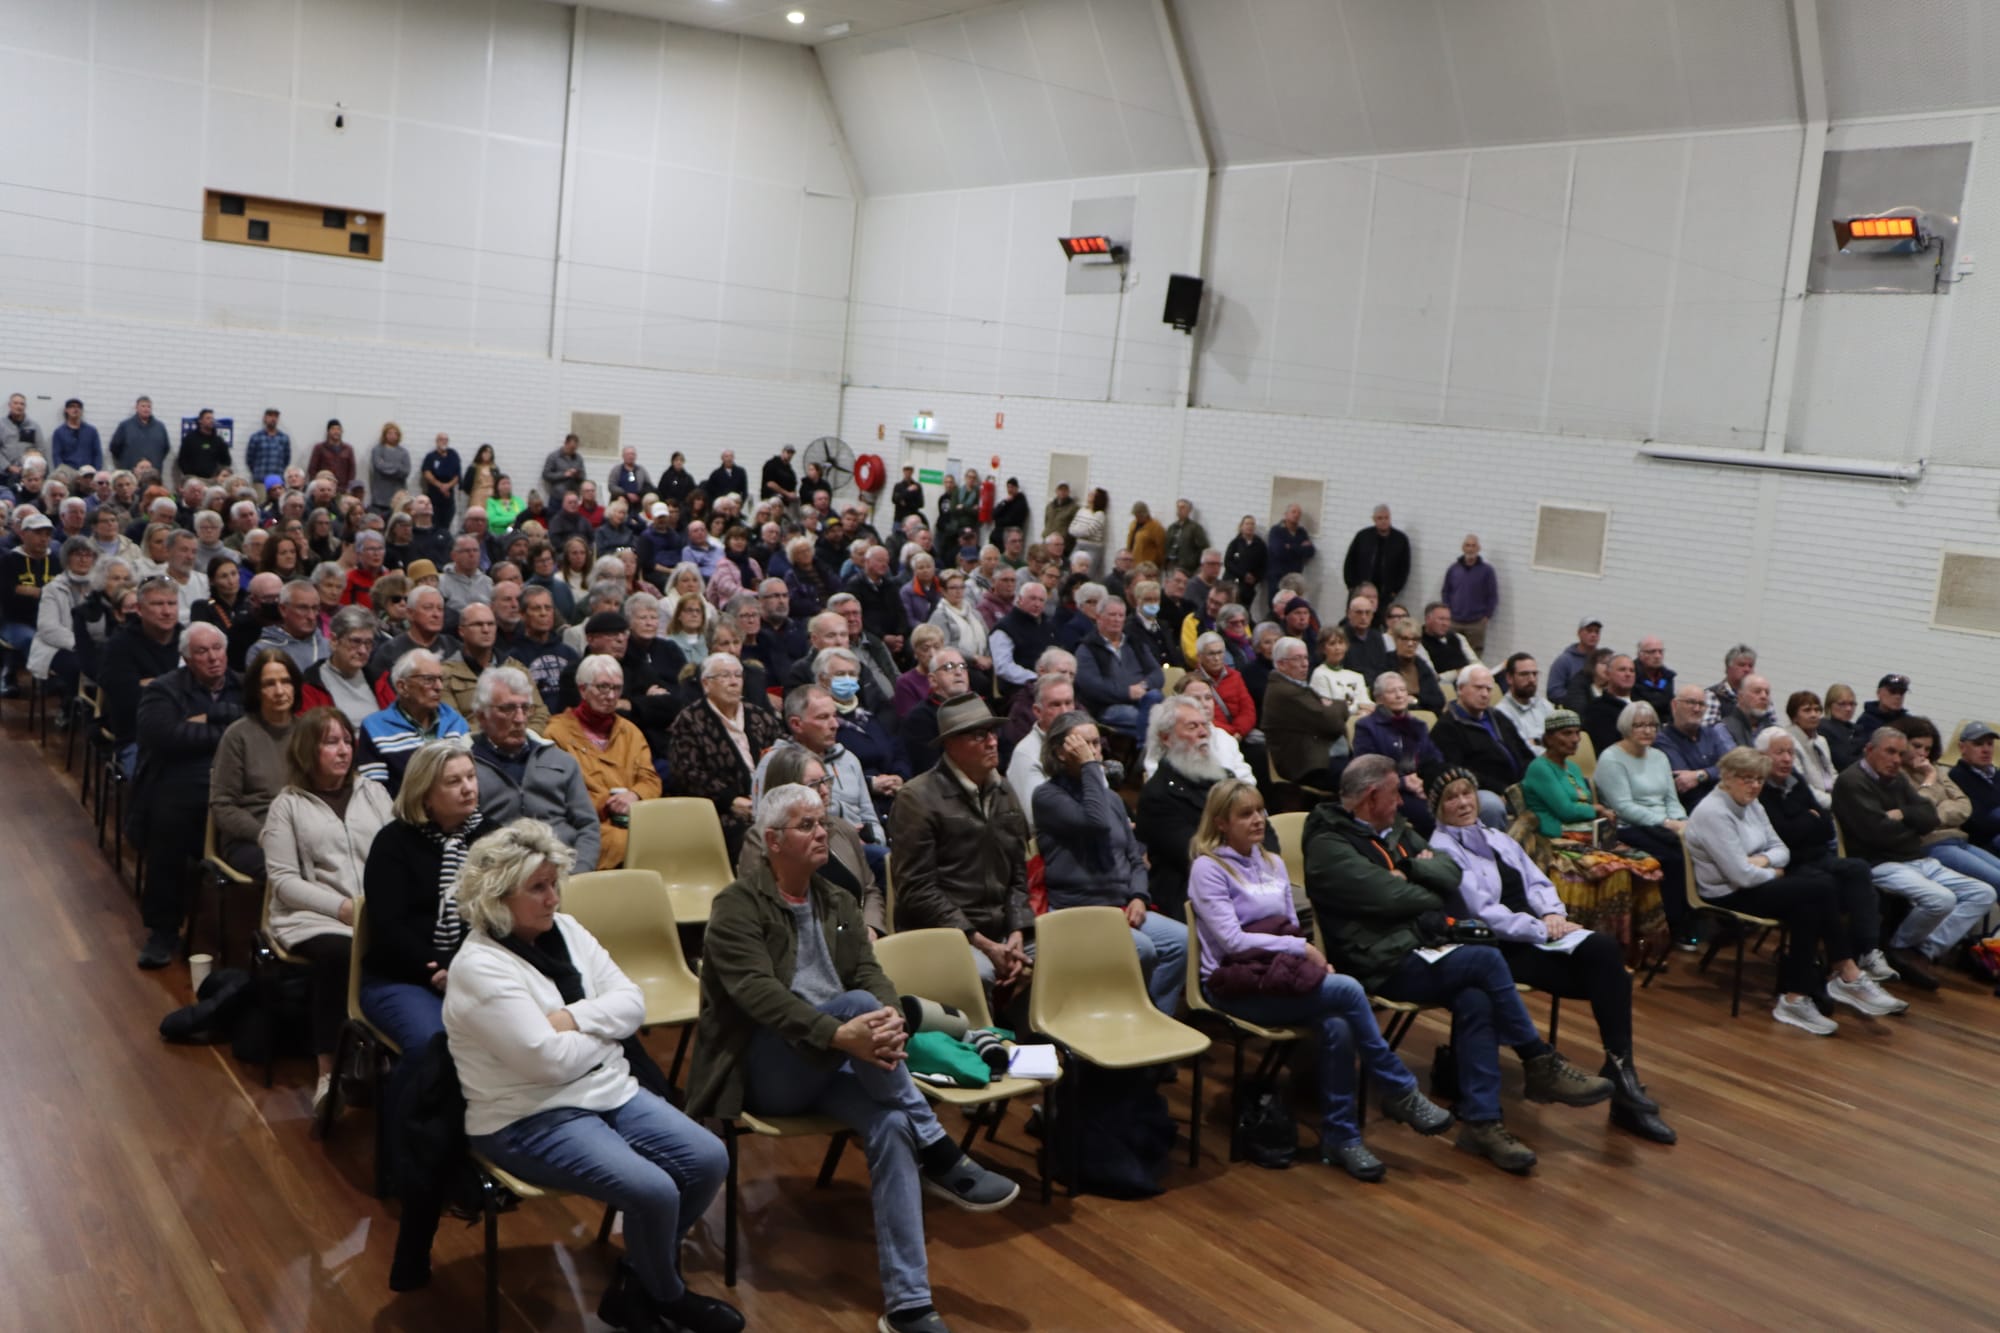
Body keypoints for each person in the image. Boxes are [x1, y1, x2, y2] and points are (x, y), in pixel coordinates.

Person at [689, 783, 1019, 1333]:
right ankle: (937, 1146)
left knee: (890, 1122)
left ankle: (909, 1303)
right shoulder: (736, 906)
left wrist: (888, 1017)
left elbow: (870, 973)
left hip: (844, 1058)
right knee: (859, 1007)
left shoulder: (836, 901)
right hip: (771, 1067)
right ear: (772, 841)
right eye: (806, 825)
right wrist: (841, 1032)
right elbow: (759, 996)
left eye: (823, 822)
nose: (822, 833)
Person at [441, 819, 742, 1333]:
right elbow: (546, 1061)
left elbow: (633, 1002)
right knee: (655, 1190)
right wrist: (604, 1031)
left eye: (554, 883)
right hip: (528, 1116)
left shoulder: (569, 931)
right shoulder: (480, 967)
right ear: (497, 896)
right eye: (538, 888)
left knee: (709, 1158)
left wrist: (574, 1020)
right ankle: (667, 1294)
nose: (553, 897)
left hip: (606, 1091)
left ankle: (639, 1282)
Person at [1303, 755, 1613, 1174]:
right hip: (1379, 962)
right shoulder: (1329, 845)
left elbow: (1447, 874)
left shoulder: (1396, 831)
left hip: (1421, 945)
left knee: (1476, 999)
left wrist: (1411, 870)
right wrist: (1420, 882)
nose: (1402, 801)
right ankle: (1537, 1059)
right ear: (1373, 796)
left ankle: (1482, 1123)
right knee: (1484, 960)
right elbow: (1395, 898)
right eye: (1395, 793)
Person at [1187, 780, 1451, 1179]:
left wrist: (1308, 963)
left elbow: (1293, 926)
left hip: (1277, 977)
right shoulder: (1209, 867)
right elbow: (1232, 941)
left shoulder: (1272, 862)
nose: (1258, 820)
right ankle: (1399, 1089)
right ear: (1222, 822)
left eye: (1260, 810)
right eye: (1246, 814)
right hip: (1234, 984)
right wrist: (1302, 953)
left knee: (1338, 1023)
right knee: (1347, 989)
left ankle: (1342, 1139)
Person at [1428, 769, 1675, 1142]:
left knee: (1606, 954)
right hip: (1495, 949)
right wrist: (1543, 929)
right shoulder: (1444, 849)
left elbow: (1538, 880)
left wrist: (1553, 913)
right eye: (1451, 797)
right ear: (1437, 807)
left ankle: (1621, 1073)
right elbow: (1484, 912)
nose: (1463, 803)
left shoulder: (1497, 837)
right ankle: (1623, 1088)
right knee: (1611, 979)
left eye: (1468, 793)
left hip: (1535, 934)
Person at [1689, 748, 1909, 1033]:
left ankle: (1795, 997)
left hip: (1758, 881)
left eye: (1758, 779)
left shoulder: (1752, 804)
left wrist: (1764, 860)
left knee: (1809, 906)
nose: (1755, 785)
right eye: (1747, 778)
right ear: (1727, 777)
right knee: (1821, 887)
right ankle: (1846, 972)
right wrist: (1772, 869)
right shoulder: (1713, 812)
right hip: (1725, 892)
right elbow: (1740, 876)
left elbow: (1781, 849)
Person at [262, 707, 397, 1111]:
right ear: (308, 750)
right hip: (311, 915)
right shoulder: (286, 806)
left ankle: (380, 1058)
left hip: (372, 909)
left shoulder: (372, 792)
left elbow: (395, 852)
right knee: (341, 956)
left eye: (346, 741)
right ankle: (328, 1072)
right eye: (330, 742)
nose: (343, 751)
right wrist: (340, 908)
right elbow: (285, 882)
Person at [1032, 711, 1186, 1012]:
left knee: (1181, 941)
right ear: (1062, 753)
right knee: (1142, 950)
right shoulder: (1046, 797)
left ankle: (1152, 1019)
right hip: (1080, 909)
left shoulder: (1112, 799)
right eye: (1085, 745)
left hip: (1120, 906)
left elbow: (1134, 857)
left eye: (1096, 745)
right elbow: (1095, 823)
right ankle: (1130, 1016)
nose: (1095, 752)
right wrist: (1090, 767)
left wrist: (1139, 897)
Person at [885, 694, 1032, 989]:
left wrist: (1017, 930)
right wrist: (981, 942)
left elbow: (1018, 873)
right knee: (980, 972)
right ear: (950, 744)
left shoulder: (1004, 791)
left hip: (1003, 930)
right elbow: (917, 889)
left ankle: (1032, 1036)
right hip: (943, 934)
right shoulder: (917, 798)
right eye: (980, 735)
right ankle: (984, 1036)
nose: (992, 742)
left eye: (993, 732)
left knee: (1049, 962)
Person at [1831, 727, 1995, 988]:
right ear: (1869, 750)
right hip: (1880, 863)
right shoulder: (1852, 782)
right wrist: (1912, 822)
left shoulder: (1897, 779)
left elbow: (1928, 818)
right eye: (1890, 752)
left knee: (1984, 893)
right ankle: (1898, 948)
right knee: (1941, 899)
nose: (1896, 759)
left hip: (1916, 858)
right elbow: (1878, 833)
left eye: (1900, 753)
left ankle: (1921, 951)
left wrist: (1903, 815)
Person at [131, 621, 244, 967]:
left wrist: (204, 718)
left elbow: (264, 725)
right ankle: (163, 930)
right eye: (202, 651)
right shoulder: (164, 690)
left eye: (217, 649)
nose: (213, 658)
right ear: (186, 658)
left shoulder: (244, 684)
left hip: (237, 782)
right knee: (169, 821)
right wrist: (227, 729)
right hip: (178, 782)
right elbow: (165, 736)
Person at [1753, 728, 1903, 987]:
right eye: (1780, 752)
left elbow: (1825, 825)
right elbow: (1783, 833)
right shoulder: (1758, 789)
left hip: (1816, 855)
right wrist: (1806, 818)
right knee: (1828, 888)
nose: (1787, 759)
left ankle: (1867, 952)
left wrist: (1804, 820)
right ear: (1761, 756)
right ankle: (1837, 968)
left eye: (1790, 752)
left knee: (1858, 869)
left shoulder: (1795, 780)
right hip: (1789, 864)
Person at [468, 666, 602, 866]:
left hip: (563, 868)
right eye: (508, 709)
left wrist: (579, 871)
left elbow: (588, 826)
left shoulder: (561, 761)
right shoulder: (465, 768)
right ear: (481, 717)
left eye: (525, 708)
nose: (520, 719)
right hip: (500, 873)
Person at [544, 655, 663, 869]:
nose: (610, 696)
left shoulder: (630, 731)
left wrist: (635, 795)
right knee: (632, 844)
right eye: (602, 687)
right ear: (582, 690)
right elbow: (560, 797)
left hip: (635, 820)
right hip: (588, 826)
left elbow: (650, 779)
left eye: (617, 689)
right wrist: (609, 804)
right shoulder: (556, 733)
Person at [1591, 701, 1694, 946]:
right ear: (1626, 727)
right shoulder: (1611, 758)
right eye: (1639, 725)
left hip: (1666, 824)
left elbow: (1671, 798)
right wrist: (1666, 823)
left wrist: (1682, 821)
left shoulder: (1659, 756)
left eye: (1652, 725)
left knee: (1696, 848)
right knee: (1674, 858)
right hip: (1628, 827)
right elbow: (1623, 806)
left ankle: (1689, 917)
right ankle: (1672, 925)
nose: (1647, 731)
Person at [667, 653, 784, 861]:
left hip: (768, 804)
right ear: (706, 683)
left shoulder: (758, 715)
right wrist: (731, 800)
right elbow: (687, 772)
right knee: (756, 839)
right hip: (721, 811)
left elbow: (782, 754)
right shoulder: (690, 720)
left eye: (738, 675)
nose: (733, 682)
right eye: (725, 676)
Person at [208, 648, 302, 877]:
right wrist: (264, 834)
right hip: (251, 837)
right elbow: (222, 805)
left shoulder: (307, 732)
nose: (279, 691)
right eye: (269, 684)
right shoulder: (238, 735)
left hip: (302, 832)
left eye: (286, 682)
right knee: (293, 868)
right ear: (256, 691)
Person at [1891, 716, 2000, 900]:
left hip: (1958, 839)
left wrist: (1933, 814)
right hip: (1932, 844)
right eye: (1917, 746)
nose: (1923, 754)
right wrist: (1930, 780)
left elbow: (1964, 805)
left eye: (1927, 748)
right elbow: (1918, 815)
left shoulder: (1934, 769)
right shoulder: (1899, 775)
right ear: (1902, 744)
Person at [1430, 665, 1531, 829]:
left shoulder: (1498, 718)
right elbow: (1459, 773)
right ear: (1461, 689)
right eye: (1478, 688)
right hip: (1480, 791)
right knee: (1492, 806)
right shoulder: (1447, 727)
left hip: (1516, 787)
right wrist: (1502, 791)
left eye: (1488, 689)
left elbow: (1525, 753)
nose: (1484, 694)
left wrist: (1529, 782)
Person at [1352, 672, 1443, 833]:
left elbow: (1435, 758)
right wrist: (1403, 782)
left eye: (1402, 690)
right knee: (1431, 815)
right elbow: (1366, 771)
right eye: (1392, 691)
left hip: (1422, 787)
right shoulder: (1367, 727)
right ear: (1379, 698)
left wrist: (1426, 782)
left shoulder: (1418, 725)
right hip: (1391, 791)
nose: (1399, 695)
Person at [1262, 635, 1349, 791]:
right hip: (1307, 765)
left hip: (1320, 756)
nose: (1305, 664)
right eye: (1297, 659)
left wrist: (1330, 706)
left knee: (1373, 768)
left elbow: (1327, 716)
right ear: (1281, 664)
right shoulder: (1285, 691)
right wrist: (1340, 705)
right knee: (1361, 778)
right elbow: (1332, 723)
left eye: (1306, 658)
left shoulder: (1294, 685)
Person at [1519, 710, 1614, 840]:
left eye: (1577, 733)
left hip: (1584, 828)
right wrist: (1597, 809)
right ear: (1549, 739)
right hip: (1553, 834)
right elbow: (1566, 812)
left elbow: (1585, 803)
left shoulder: (1573, 768)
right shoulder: (1539, 768)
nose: (1575, 739)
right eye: (1567, 733)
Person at [1655, 684, 1731, 812]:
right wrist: (1715, 772)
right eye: (1690, 702)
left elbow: (1732, 768)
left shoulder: (1711, 734)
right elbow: (1685, 784)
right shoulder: (1663, 740)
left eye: (1701, 704)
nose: (1697, 709)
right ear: (1674, 705)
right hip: (1694, 811)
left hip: (1725, 805)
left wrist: (1701, 775)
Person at [1437, 534, 1496, 654]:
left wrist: (1487, 616)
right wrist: (1447, 611)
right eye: (1468, 545)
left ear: (1478, 548)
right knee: (1450, 653)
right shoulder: (1453, 569)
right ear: (1463, 548)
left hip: (1476, 623)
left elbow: (1492, 595)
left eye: (1473, 546)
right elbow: (1446, 591)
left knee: (1474, 657)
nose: (1470, 549)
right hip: (1454, 621)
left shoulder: (1487, 571)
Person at [1950, 721, 2000, 857]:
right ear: (1962, 747)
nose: (1986, 750)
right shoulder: (1956, 777)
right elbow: (1976, 822)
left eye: (1990, 744)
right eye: (1978, 744)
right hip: (1982, 845)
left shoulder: (1997, 775)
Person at [1341, 504, 1407, 607]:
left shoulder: (1400, 540)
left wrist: (1394, 591)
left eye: (1386, 518)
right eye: (1380, 518)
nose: (1384, 521)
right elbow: (1350, 561)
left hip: (1384, 594)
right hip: (1359, 590)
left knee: (1379, 620)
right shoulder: (1363, 536)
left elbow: (1404, 568)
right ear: (1373, 519)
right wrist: (1351, 586)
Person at [1784, 690, 1839, 809]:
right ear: (1794, 716)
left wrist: (1841, 795)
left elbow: (1831, 773)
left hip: (1831, 798)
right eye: (1807, 710)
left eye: (1817, 710)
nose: (1814, 714)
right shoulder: (1788, 741)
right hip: (1807, 803)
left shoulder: (1821, 741)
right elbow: (1801, 784)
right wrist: (1834, 802)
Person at [1492, 653, 1551, 757]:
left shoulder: (1543, 704)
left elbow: (1562, 739)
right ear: (1509, 678)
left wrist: (1536, 742)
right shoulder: (1501, 713)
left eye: (1534, 674)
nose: (1532, 679)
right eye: (1524, 674)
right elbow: (1524, 751)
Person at [1700, 644, 1758, 727]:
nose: (1747, 669)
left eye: (1750, 666)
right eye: (1742, 665)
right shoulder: (1713, 695)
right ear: (1728, 668)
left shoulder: (1760, 697)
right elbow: (1708, 732)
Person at [1720, 673, 1776, 749]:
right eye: (1757, 691)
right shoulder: (1724, 728)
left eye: (1767, 693)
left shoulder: (1775, 731)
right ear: (1740, 697)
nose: (1764, 696)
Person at [1821, 683, 1864, 771]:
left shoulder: (1857, 729)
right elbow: (1842, 761)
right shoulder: (1823, 727)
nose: (1848, 709)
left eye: (1852, 704)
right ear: (1830, 705)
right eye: (1842, 704)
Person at [1126, 501, 1166, 570]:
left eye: (1139, 515)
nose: (1137, 517)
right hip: (1133, 564)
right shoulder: (1133, 524)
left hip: (1147, 566)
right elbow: (1130, 542)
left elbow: (1161, 548)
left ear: (1145, 514)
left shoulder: (1156, 527)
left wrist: (1157, 564)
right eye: (1135, 515)